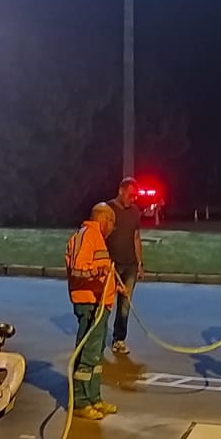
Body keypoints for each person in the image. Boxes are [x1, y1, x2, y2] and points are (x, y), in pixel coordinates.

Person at [65, 203, 128, 420]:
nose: (112, 228)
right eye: (112, 223)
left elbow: (101, 272)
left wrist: (115, 286)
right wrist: (98, 270)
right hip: (90, 304)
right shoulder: (86, 235)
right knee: (88, 353)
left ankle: (94, 398)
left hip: (101, 304)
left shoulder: (97, 238)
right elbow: (77, 270)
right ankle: (81, 402)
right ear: (105, 220)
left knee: (96, 353)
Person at [100, 178, 143, 356]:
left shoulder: (134, 212)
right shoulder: (107, 210)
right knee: (105, 304)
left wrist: (140, 264)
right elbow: (100, 237)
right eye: (131, 195)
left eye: (135, 197)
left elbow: (136, 238)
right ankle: (98, 340)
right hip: (112, 265)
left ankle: (119, 339)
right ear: (121, 191)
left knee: (124, 305)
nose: (133, 199)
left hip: (130, 265)